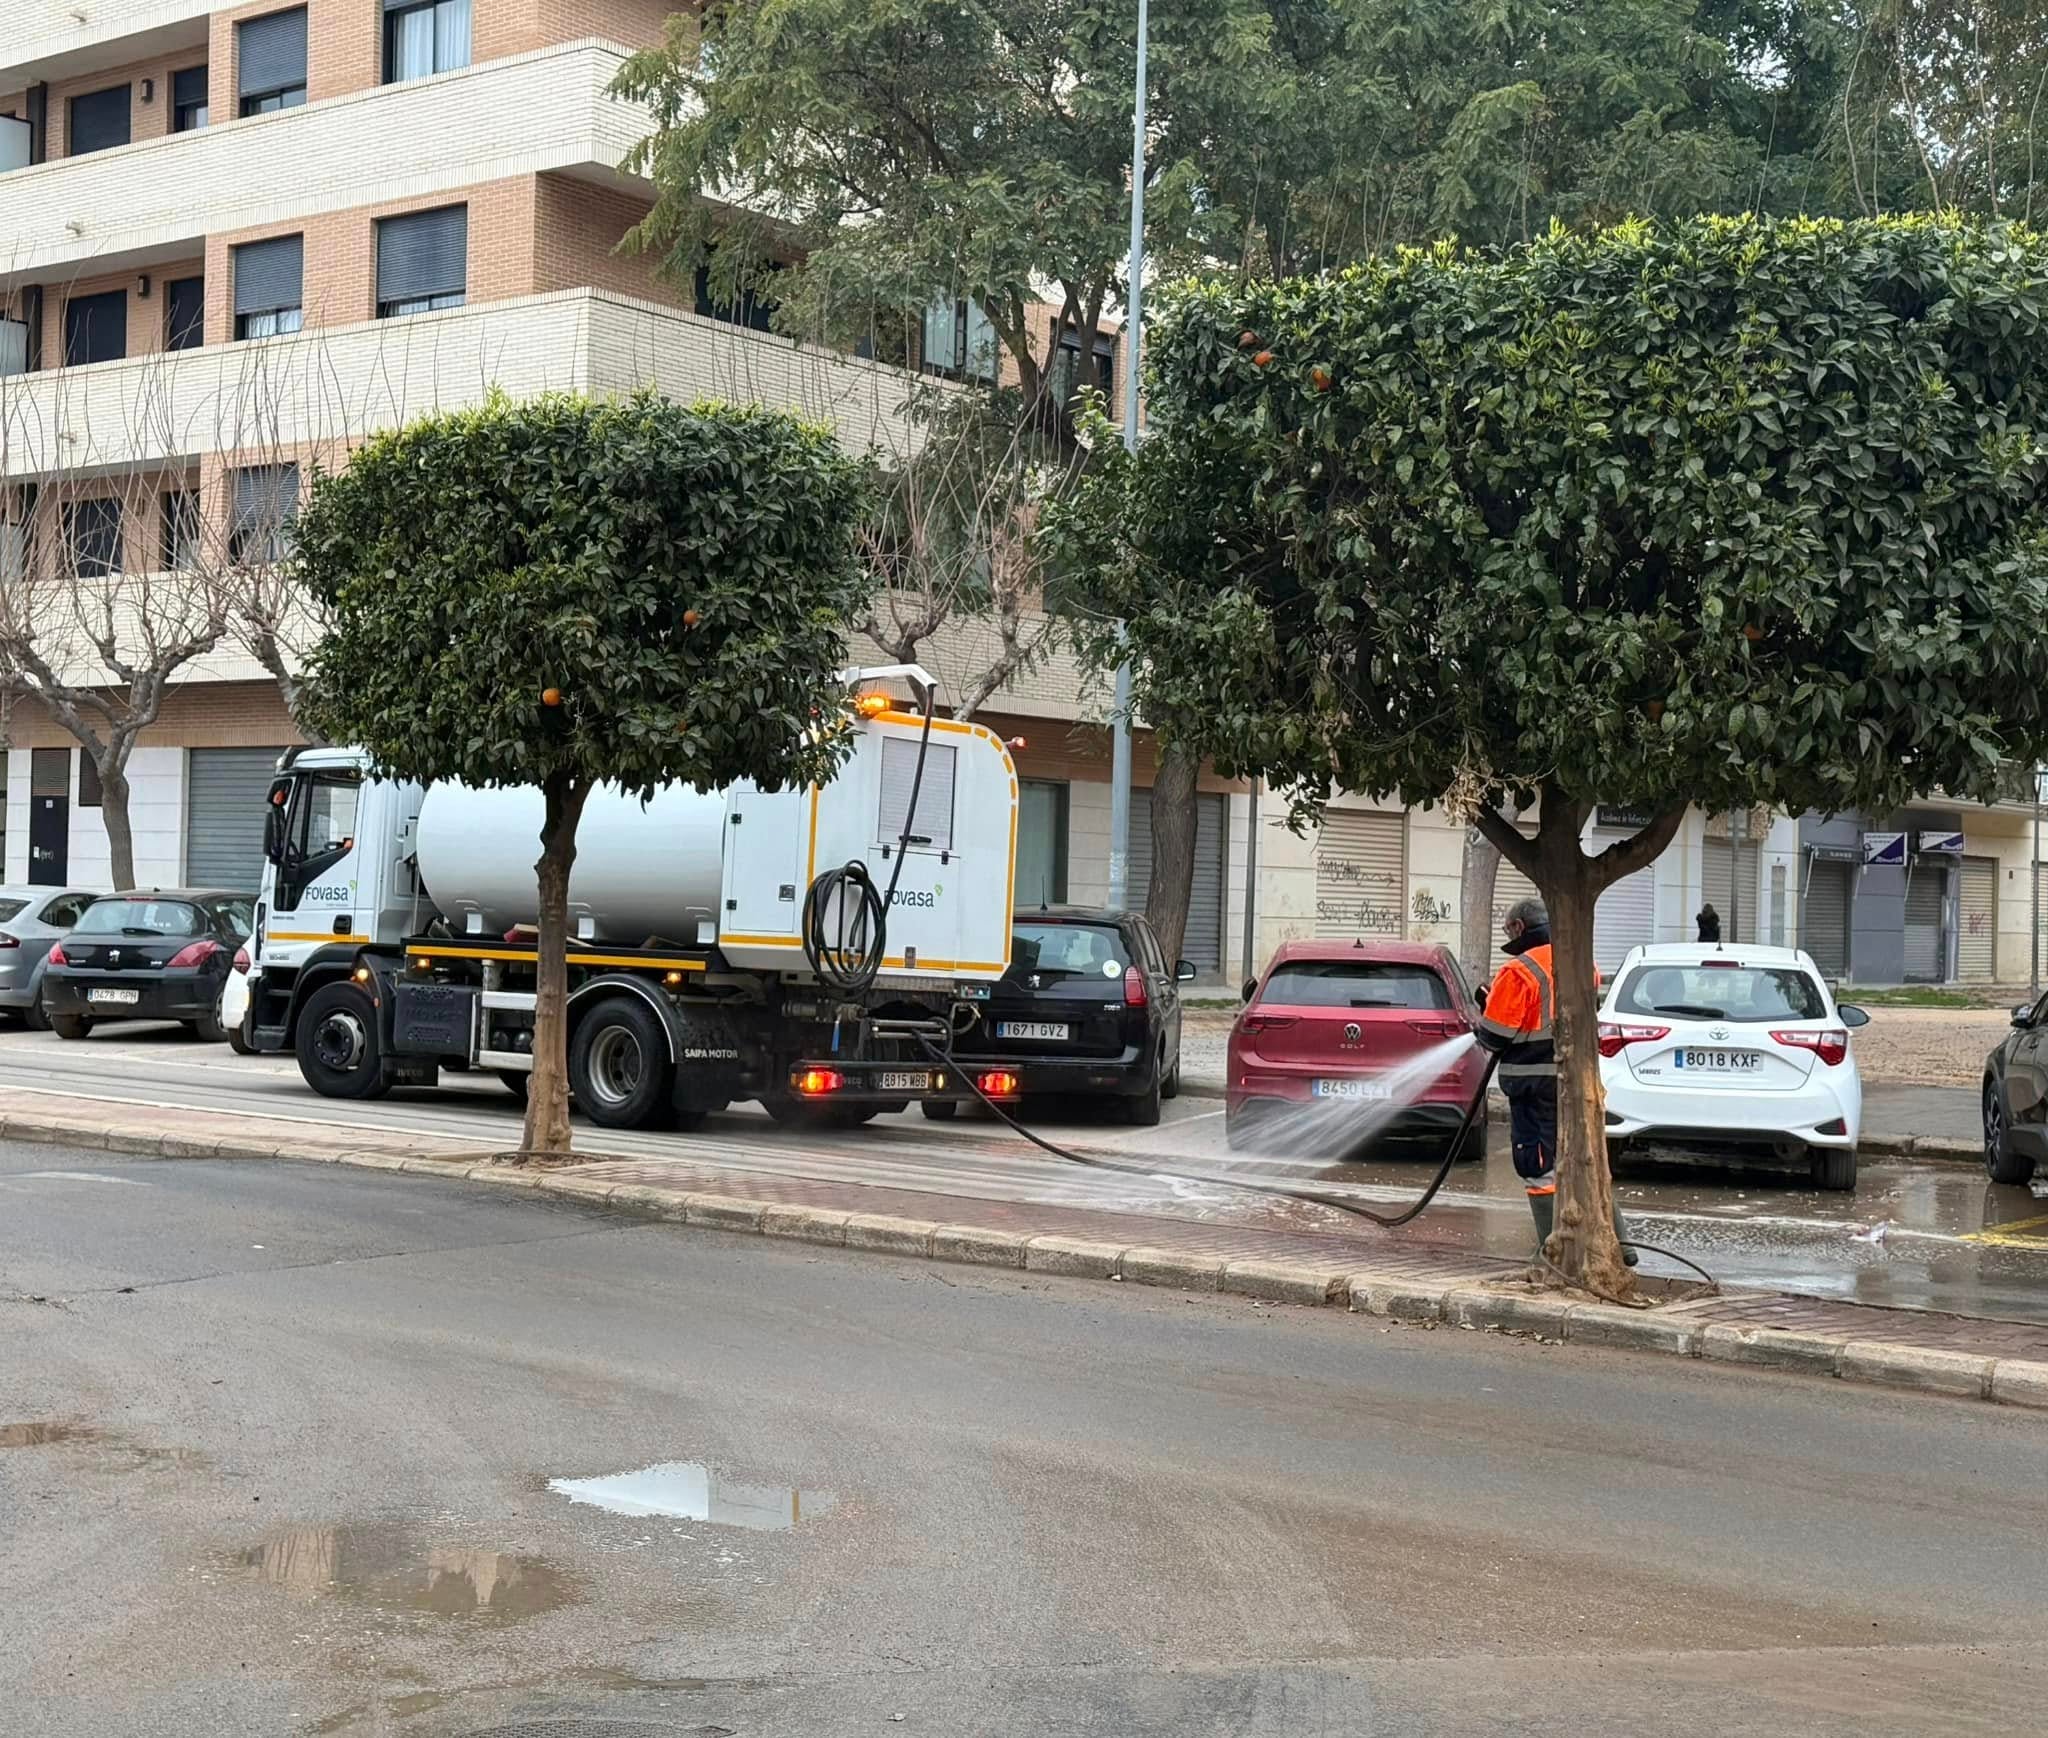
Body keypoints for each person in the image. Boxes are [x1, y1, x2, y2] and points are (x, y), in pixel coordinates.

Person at [1476, 897, 1636, 1264]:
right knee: (1584, 1159)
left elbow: (1495, 1036)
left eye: (1507, 929)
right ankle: (1622, 1247)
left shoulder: (1518, 971)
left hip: (1533, 1086)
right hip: (1576, 1083)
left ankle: (1553, 1254)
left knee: (1538, 1166)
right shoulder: (1582, 961)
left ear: (1519, 928)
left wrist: (1486, 1007)